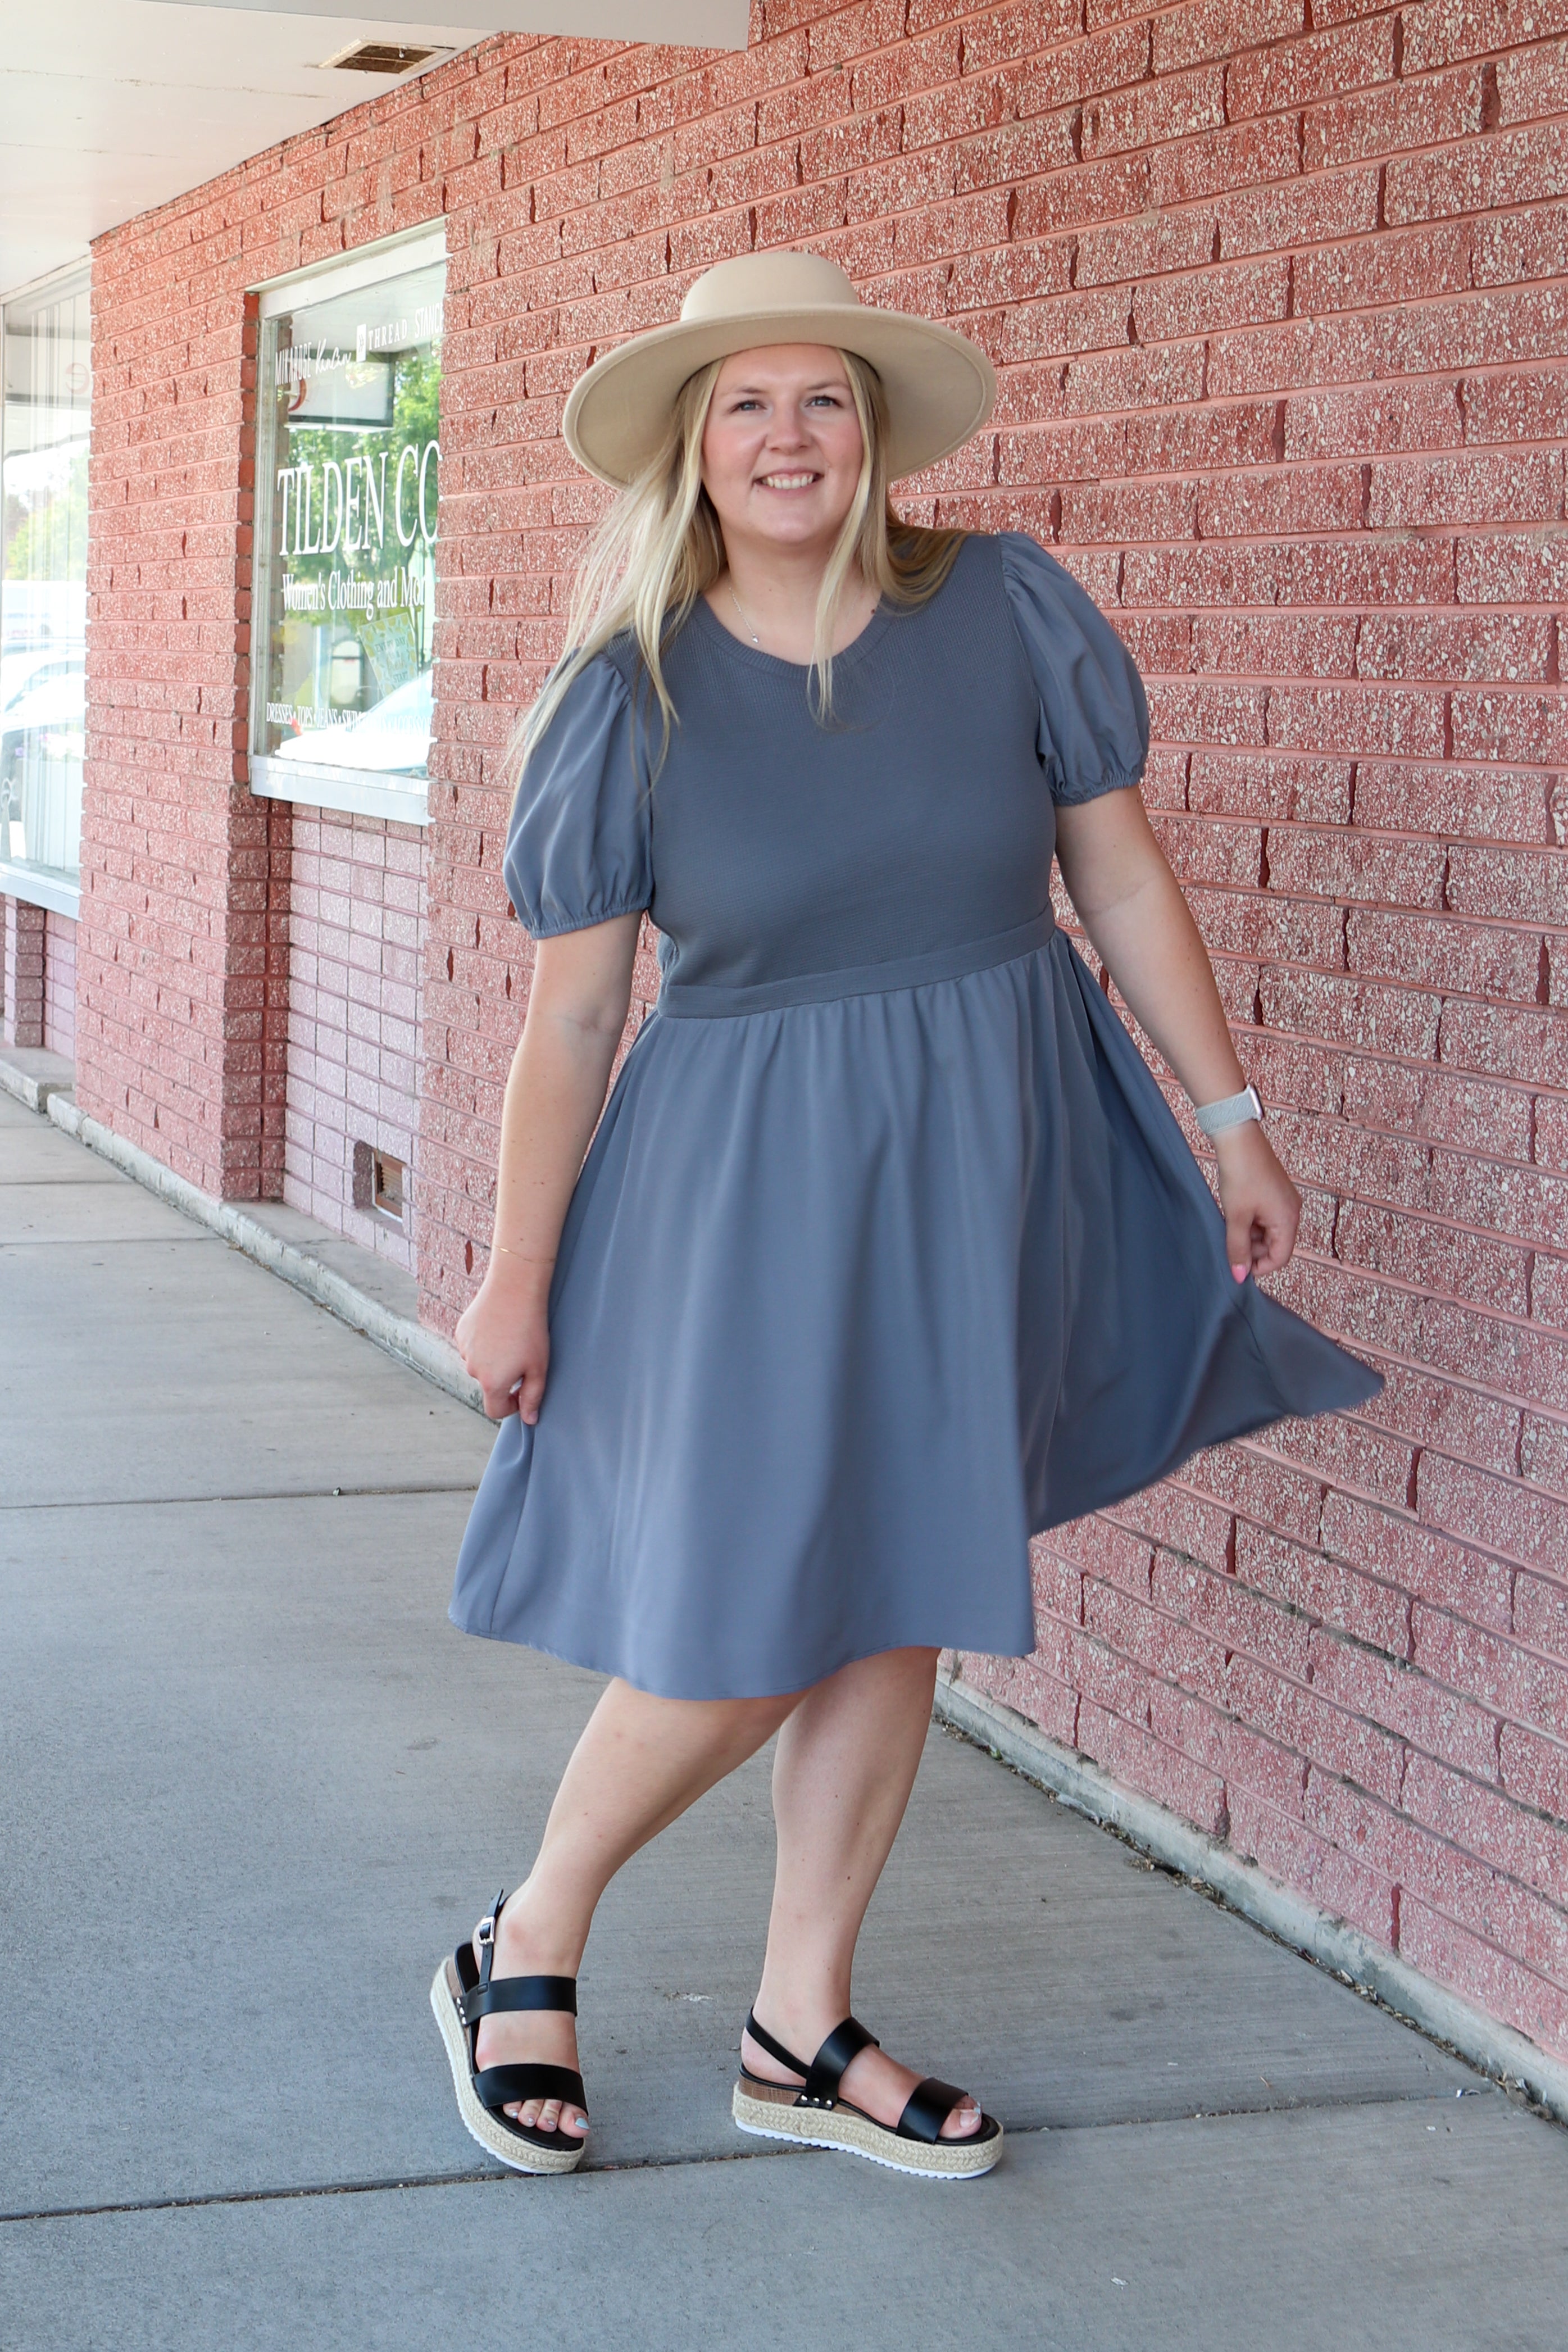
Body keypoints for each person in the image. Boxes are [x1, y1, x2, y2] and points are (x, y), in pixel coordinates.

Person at [430, 250, 1380, 2184]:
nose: (790, 436)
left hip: (977, 1154)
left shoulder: (1005, 608)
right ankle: (526, 1931)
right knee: (751, 1605)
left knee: (903, 1593)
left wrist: (1232, 1122)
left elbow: (1118, 882)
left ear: (875, 432)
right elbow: (578, 1012)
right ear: (694, 449)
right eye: (747, 404)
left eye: (824, 398)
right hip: (745, 1185)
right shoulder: (632, 691)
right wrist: (512, 1267)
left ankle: (805, 2018)